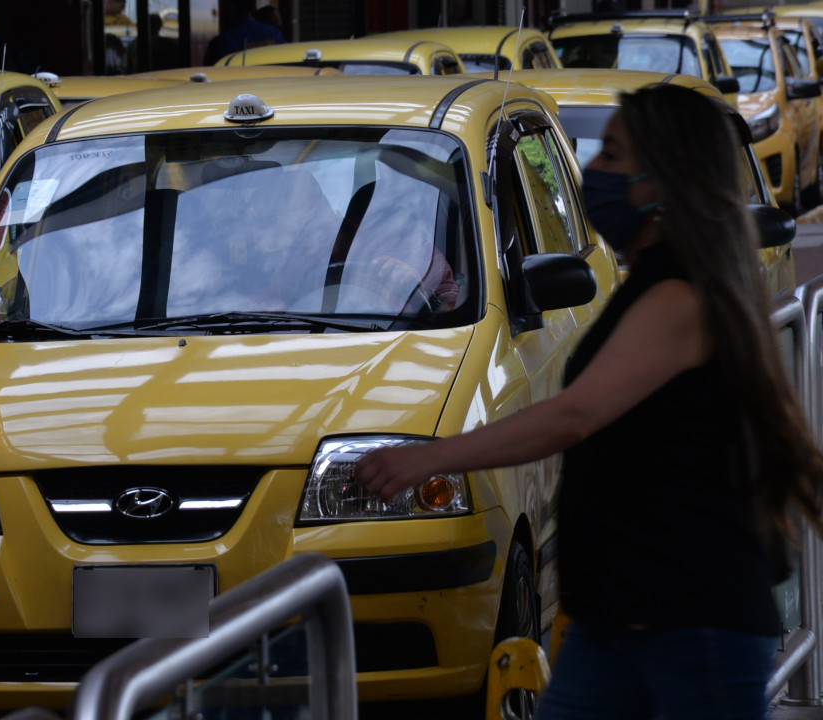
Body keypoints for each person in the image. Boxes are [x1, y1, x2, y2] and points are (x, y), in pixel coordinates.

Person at [354, 83, 823, 720]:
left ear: (659, 185)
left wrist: (429, 459)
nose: (591, 171)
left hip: (691, 622)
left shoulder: (678, 298)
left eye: (613, 156)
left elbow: (575, 414)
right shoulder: (660, 285)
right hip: (620, 618)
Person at [204, 0, 286, 65]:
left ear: (232, 8)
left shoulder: (224, 40)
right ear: (254, 7)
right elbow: (286, 61)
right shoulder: (274, 33)